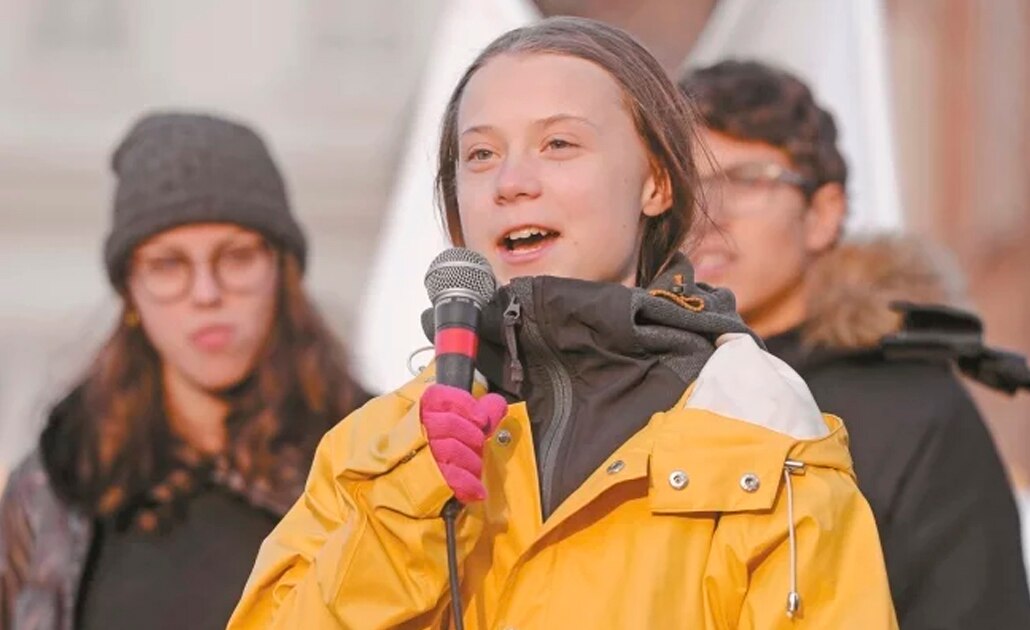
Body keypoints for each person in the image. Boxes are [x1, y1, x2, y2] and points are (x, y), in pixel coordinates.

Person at [230, 18, 897, 629]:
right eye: (481, 155)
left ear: (656, 182)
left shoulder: (762, 432)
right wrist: (406, 509)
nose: (512, 181)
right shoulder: (378, 449)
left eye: (559, 142)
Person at [679, 59, 1030, 629]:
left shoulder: (916, 410)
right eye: (686, 183)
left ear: (824, 214)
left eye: (746, 180)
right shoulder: (636, 387)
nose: (706, 214)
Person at [0, 112, 369, 630]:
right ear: (130, 290)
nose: (206, 293)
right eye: (168, 265)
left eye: (237, 256)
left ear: (281, 274)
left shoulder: (373, 463)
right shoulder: (55, 489)